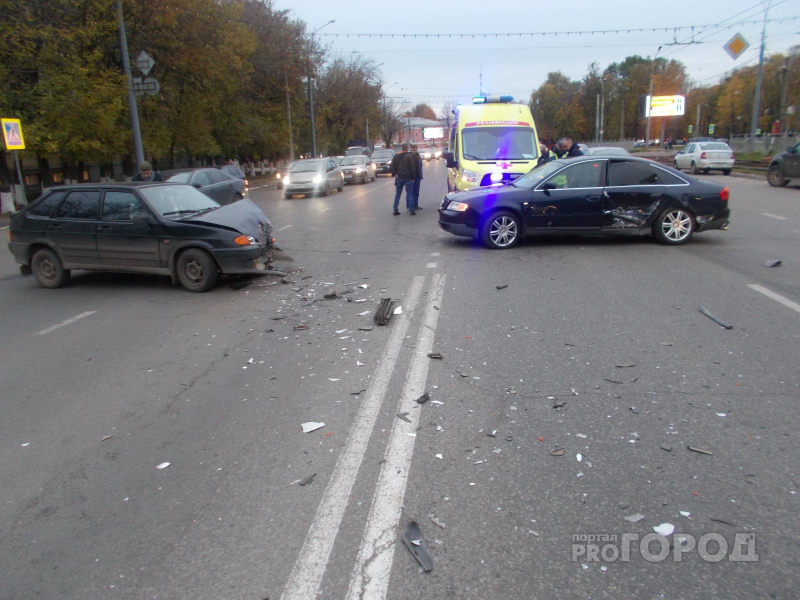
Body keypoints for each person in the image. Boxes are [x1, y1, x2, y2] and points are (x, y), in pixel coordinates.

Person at [389, 143, 418, 216]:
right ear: (407, 148)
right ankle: (411, 210)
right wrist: (413, 177)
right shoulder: (409, 156)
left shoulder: (396, 155)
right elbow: (412, 167)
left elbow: (392, 166)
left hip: (399, 177)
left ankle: (395, 210)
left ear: (402, 148)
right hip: (408, 177)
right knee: (410, 193)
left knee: (397, 194)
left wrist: (394, 173)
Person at [410, 144, 423, 210]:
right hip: (410, 178)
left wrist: (421, 175)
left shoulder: (418, 156)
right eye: (412, 150)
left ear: (416, 149)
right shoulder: (409, 156)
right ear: (410, 149)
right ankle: (410, 206)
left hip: (417, 177)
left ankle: (416, 205)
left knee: (416, 192)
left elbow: (420, 166)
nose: (413, 151)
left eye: (414, 150)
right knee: (410, 193)